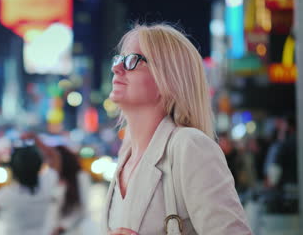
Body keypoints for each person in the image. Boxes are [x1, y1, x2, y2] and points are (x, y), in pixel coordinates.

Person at [105, 23, 252, 235]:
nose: (116, 68)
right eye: (119, 59)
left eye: (132, 60)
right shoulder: (125, 156)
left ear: (169, 77)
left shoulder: (190, 146)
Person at [0, 140, 60, 235]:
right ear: (39, 164)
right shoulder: (48, 183)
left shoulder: (8, 195)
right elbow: (54, 156)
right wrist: (35, 139)